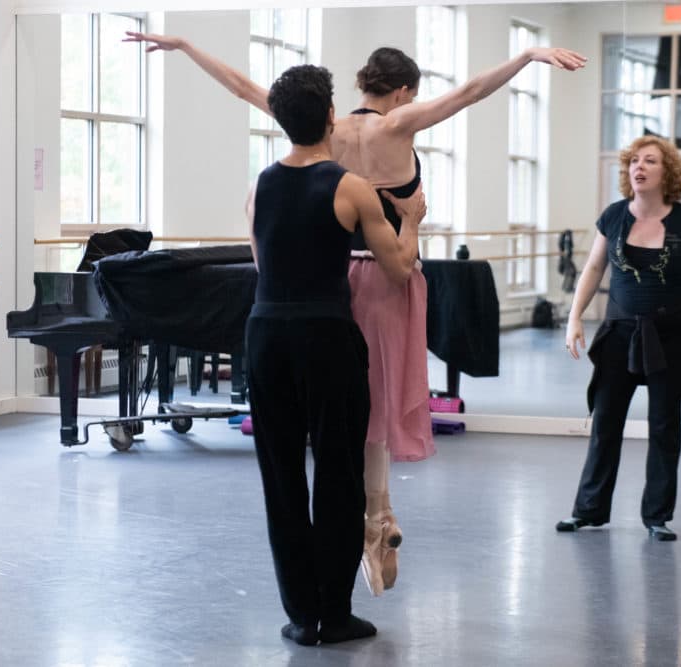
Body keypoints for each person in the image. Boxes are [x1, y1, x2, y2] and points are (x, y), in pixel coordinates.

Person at [124, 30, 586, 593]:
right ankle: (378, 516)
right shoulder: (400, 125)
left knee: (348, 406)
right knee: (377, 405)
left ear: (362, 86)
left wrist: (188, 48)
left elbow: (245, 87)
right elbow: (469, 92)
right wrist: (527, 55)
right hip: (391, 273)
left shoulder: (328, 130)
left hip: (335, 278)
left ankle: (373, 519)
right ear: (405, 92)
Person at [244, 64, 424, 645]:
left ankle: (301, 615)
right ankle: (335, 612)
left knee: (282, 478)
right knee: (340, 474)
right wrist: (414, 222)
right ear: (329, 117)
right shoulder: (349, 186)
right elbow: (396, 270)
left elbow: (261, 264)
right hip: (325, 339)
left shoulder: (260, 186)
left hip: (266, 336)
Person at [556, 136, 681, 541]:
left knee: (664, 426)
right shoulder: (615, 216)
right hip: (619, 332)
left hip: (670, 335)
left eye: (650, 161)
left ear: (666, 172)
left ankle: (657, 516)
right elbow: (594, 268)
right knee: (606, 422)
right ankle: (589, 511)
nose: (639, 166)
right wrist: (574, 318)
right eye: (634, 160)